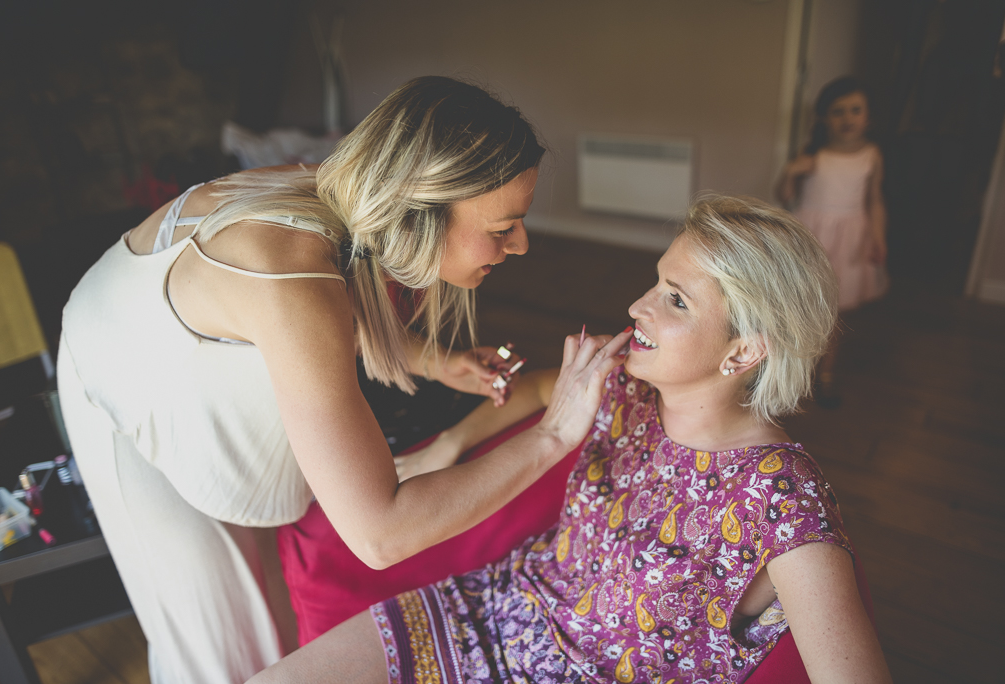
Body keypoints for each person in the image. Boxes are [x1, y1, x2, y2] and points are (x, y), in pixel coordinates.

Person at [56, 76, 628, 683]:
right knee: (216, 645)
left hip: (198, 358)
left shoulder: (352, 204)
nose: (520, 245)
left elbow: (337, 309)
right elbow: (380, 535)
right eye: (502, 226)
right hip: (127, 378)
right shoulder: (293, 277)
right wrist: (555, 434)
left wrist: (431, 360)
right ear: (421, 208)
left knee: (275, 622)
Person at [250, 196, 893, 684]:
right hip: (491, 609)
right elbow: (535, 393)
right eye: (655, 282)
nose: (639, 306)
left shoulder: (781, 495)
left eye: (675, 301)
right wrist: (449, 447)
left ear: (745, 350)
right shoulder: (625, 387)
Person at [776, 76, 889, 407]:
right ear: (825, 118)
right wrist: (791, 172)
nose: (848, 118)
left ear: (868, 117)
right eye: (838, 111)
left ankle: (826, 374)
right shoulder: (814, 154)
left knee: (834, 313)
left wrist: (878, 236)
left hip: (850, 240)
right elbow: (785, 199)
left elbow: (875, 200)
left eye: (855, 110)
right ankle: (787, 371)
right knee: (799, 304)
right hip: (811, 238)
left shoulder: (871, 155)